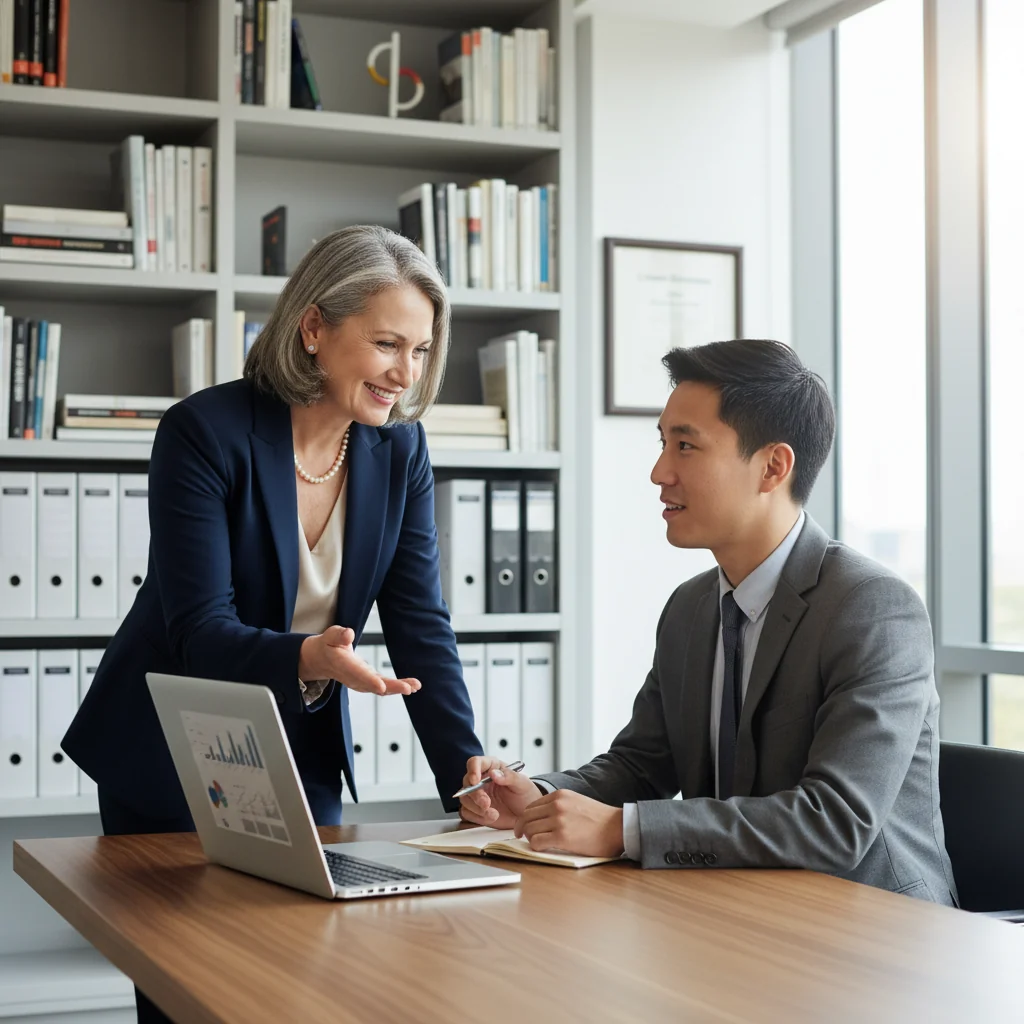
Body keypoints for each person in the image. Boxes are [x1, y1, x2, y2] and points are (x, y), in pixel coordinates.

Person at [62, 225, 484, 1022]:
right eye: (388, 342)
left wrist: (465, 772)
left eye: (423, 350)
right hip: (173, 750)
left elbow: (422, 622)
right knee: (186, 991)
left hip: (299, 754)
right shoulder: (205, 432)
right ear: (315, 328)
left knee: (302, 988)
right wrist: (311, 659)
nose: (406, 372)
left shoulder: (400, 450)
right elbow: (197, 631)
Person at [459, 339, 958, 906]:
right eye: (663, 443)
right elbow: (642, 765)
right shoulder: (690, 607)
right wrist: (540, 796)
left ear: (772, 466)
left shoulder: (872, 608)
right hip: (737, 909)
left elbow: (834, 822)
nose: (658, 472)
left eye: (686, 447)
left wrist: (621, 830)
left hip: (878, 934)